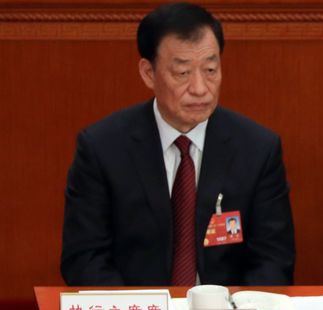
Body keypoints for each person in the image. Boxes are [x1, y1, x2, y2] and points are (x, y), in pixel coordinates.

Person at [61, 2, 295, 287]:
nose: (199, 88)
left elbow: (273, 260)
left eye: (210, 69)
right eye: (182, 73)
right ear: (149, 73)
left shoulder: (258, 149)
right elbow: (85, 258)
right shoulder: (102, 148)